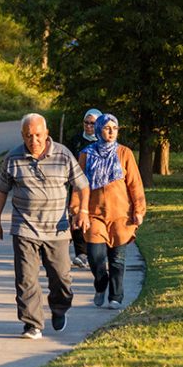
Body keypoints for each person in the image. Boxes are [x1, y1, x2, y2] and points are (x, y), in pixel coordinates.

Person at [0, 113, 90, 339]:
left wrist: (83, 211)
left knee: (61, 277)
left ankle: (59, 307)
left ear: (46, 134)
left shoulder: (63, 155)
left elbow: (82, 186)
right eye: (28, 136)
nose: (33, 140)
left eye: (37, 135)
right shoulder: (13, 158)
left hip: (57, 228)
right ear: (22, 135)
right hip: (24, 227)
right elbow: (1, 190)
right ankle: (32, 323)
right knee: (25, 278)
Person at [70, 113, 146, 310]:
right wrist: (77, 210)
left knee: (117, 260)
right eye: (106, 128)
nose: (111, 132)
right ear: (98, 130)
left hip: (121, 215)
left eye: (115, 128)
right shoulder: (86, 154)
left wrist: (139, 210)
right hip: (94, 214)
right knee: (95, 257)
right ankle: (100, 283)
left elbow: (135, 185)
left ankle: (116, 296)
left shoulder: (124, 153)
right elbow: (78, 185)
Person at [65, 108, 103, 268]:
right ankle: (81, 252)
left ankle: (94, 250)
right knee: (76, 215)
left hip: (97, 186)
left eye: (92, 123)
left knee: (93, 216)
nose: (88, 126)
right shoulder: (76, 140)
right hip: (77, 185)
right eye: (86, 123)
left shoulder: (103, 142)